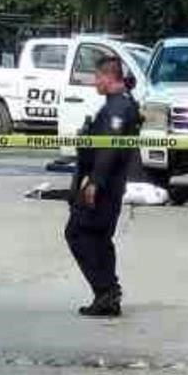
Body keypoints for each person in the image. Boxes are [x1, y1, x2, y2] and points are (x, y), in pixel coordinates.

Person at [64, 56, 141, 317]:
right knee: (99, 238)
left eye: (97, 77)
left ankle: (105, 290)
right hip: (108, 182)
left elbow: (110, 147)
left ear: (109, 77)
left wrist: (95, 182)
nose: (95, 82)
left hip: (105, 185)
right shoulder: (119, 103)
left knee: (77, 233)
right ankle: (108, 294)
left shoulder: (118, 108)